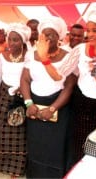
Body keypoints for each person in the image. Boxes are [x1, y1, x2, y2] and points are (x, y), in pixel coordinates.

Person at [42, 3, 96, 163]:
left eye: (95, 30)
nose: (89, 34)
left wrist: (95, 77)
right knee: (79, 147)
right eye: (88, 30)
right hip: (82, 106)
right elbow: (58, 76)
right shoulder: (80, 50)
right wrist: (45, 60)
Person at [20, 16, 77, 178]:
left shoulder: (69, 55)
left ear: (59, 37)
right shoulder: (31, 54)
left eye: (52, 34)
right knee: (37, 145)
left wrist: (52, 108)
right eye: (44, 34)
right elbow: (24, 79)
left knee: (55, 146)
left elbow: (69, 86)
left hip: (58, 105)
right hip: (35, 106)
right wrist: (28, 102)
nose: (47, 38)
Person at [0, 23, 30, 177]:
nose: (11, 43)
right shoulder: (2, 56)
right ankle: (2, 165)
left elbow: (30, 78)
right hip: (4, 96)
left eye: (16, 40)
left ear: (23, 41)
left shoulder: (29, 56)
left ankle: (17, 168)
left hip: (22, 96)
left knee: (19, 131)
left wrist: (22, 89)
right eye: (9, 39)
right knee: (2, 131)